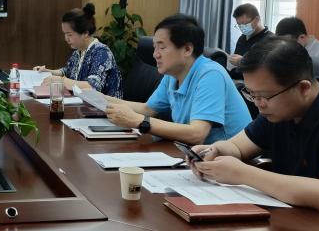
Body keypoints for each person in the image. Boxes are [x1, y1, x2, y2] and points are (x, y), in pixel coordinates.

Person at [192, 38, 319, 231]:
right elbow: (237, 147)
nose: (258, 104)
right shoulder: (279, 109)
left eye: (264, 96)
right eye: (252, 94)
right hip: (299, 219)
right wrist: (216, 150)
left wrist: (243, 174)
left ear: (303, 88)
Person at [104, 14, 251, 144]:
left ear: (187, 49)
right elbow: (147, 109)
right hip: (196, 154)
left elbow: (197, 134)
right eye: (155, 47)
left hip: (231, 159)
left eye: (162, 48)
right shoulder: (172, 75)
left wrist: (138, 121)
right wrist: (98, 98)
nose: (155, 54)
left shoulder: (211, 74)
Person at [33, 3, 122, 96]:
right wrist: (48, 72)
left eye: (69, 35)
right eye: (65, 34)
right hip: (82, 101)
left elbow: (93, 87)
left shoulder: (102, 53)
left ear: (85, 33)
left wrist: (61, 81)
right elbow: (66, 71)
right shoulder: (78, 51)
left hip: (105, 104)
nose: (66, 39)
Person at [228, 3, 273, 78]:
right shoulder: (242, 38)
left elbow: (269, 70)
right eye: (239, 25)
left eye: (244, 24)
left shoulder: (271, 40)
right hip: (238, 78)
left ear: (257, 19)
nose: (242, 28)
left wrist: (244, 62)